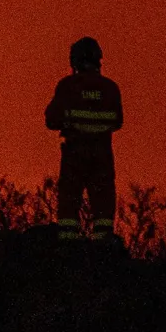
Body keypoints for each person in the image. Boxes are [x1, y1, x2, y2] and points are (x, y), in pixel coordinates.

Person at [43, 35, 124, 246]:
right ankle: (104, 246)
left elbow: (51, 119)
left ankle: (68, 246)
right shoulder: (110, 88)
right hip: (102, 154)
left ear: (75, 61)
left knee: (70, 202)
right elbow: (118, 121)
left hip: (75, 154)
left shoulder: (68, 86)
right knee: (103, 204)